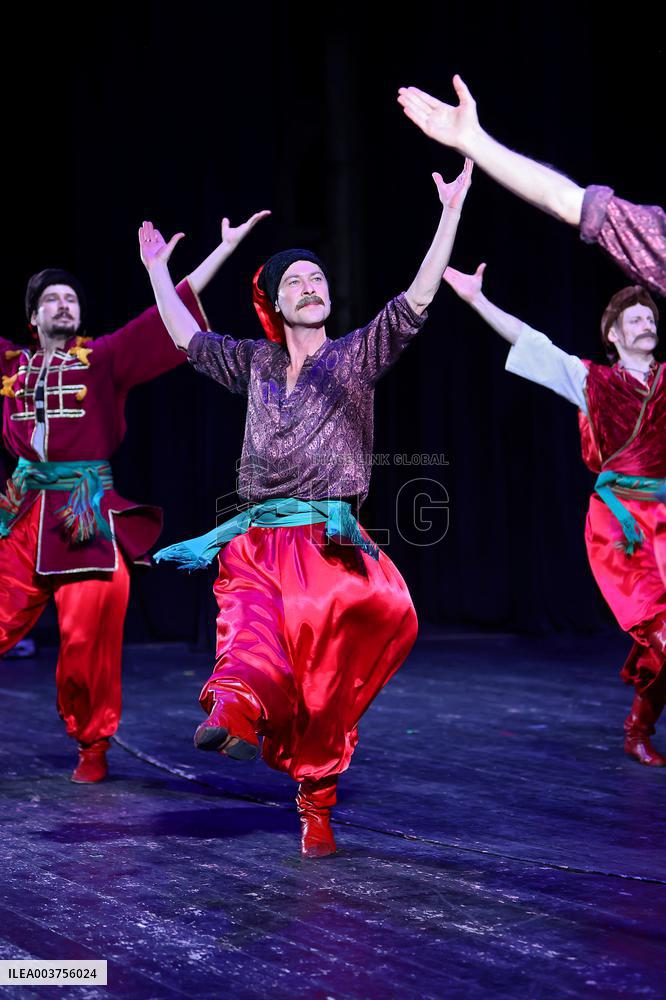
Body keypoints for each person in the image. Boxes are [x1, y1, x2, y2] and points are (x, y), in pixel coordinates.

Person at [140, 161, 473, 857]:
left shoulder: (355, 357)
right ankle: (234, 714)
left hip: (327, 545)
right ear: (273, 301)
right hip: (256, 538)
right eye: (295, 280)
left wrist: (449, 213)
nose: (311, 286)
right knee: (246, 638)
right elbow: (183, 338)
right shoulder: (255, 363)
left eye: (318, 278)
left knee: (322, 691)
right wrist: (156, 270)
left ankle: (315, 804)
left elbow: (416, 299)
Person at [0, 210, 269, 782]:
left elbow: (166, 313)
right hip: (19, 516)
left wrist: (221, 251)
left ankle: (91, 746)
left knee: (86, 649)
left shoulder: (103, 359)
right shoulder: (9, 365)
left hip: (85, 522)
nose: (63, 306)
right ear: (32, 316)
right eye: (51, 300)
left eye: (71, 299)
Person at [442, 261, 666, 766]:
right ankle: (638, 728)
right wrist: (477, 300)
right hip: (622, 524)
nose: (646, 324)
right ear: (613, 335)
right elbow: (532, 342)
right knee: (662, 633)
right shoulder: (592, 381)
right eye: (634, 319)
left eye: (651, 318)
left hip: (665, 518)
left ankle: (638, 728)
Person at [397, 76, 666, 296]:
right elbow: (569, 202)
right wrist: (473, 140)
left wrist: (474, 141)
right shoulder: (655, 233)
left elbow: (567, 202)